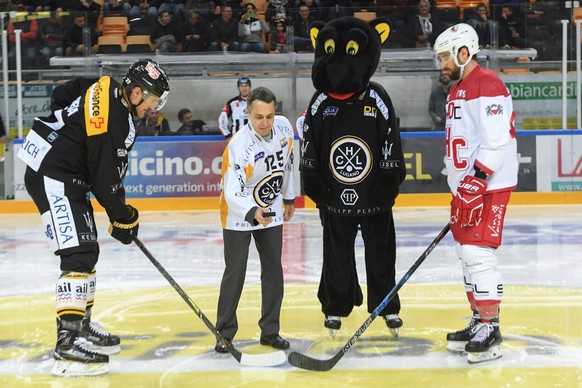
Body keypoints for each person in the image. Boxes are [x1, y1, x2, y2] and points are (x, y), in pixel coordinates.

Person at [16, 59, 170, 377]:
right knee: (78, 253)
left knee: (88, 250)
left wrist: (65, 132)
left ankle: (80, 326)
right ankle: (68, 341)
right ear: (138, 92)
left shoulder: (104, 85)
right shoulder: (118, 121)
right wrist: (123, 217)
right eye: (153, 101)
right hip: (55, 175)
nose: (153, 109)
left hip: (58, 169)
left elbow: (62, 92)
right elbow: (105, 182)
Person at [299, 16, 406, 338]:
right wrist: (313, 182)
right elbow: (310, 145)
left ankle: (386, 306)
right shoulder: (320, 102)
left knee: (381, 254)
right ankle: (335, 305)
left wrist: (389, 180)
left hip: (375, 198)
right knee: (336, 256)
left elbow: (390, 140)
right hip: (335, 200)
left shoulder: (377, 97)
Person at [433, 23, 518, 364]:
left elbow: (498, 141)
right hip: (469, 187)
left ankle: (490, 326)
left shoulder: (487, 84)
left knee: (478, 253)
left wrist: (478, 179)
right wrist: (459, 184)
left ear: (462, 53)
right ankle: (477, 319)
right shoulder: (460, 88)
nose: (442, 64)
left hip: (488, 186)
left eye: (444, 57)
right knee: (467, 254)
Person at [215, 86, 295, 353]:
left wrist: (289, 197)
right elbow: (233, 189)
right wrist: (251, 212)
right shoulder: (239, 145)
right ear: (248, 113)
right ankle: (225, 333)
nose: (265, 123)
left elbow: (288, 163)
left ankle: (270, 332)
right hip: (239, 211)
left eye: (270, 116)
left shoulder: (283, 128)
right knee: (235, 271)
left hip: (270, 203)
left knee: (273, 270)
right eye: (259, 117)